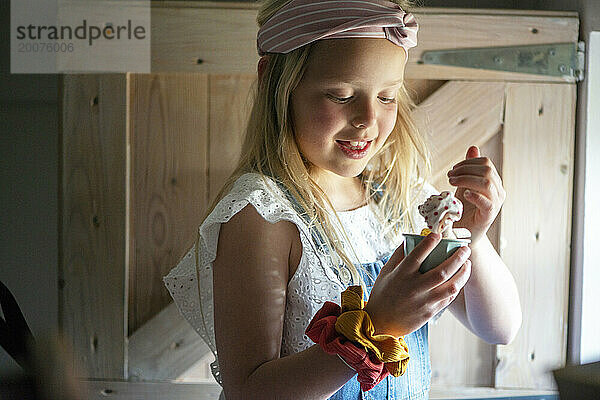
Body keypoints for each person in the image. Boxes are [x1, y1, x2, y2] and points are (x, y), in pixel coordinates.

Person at [163, 0, 522, 398]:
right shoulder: (262, 216)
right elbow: (249, 391)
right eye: (340, 94)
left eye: (387, 97)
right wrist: (376, 324)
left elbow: (499, 328)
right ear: (275, 82)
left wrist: (472, 236)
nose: (368, 118)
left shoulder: (401, 200)